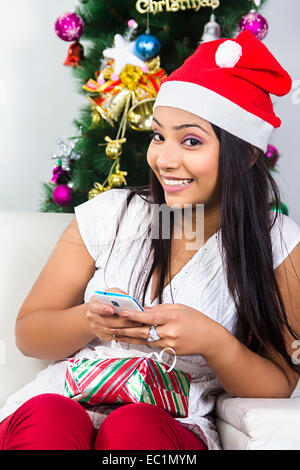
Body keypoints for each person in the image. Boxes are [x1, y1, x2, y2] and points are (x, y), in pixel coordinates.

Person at [0, 30, 300, 451]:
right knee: (50, 417)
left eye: (191, 141)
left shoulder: (278, 243)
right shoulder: (113, 214)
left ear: (248, 153)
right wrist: (89, 319)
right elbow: (29, 334)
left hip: (167, 424)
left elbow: (280, 384)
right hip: (62, 402)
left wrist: (212, 341)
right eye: (158, 135)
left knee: (134, 428)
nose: (164, 158)